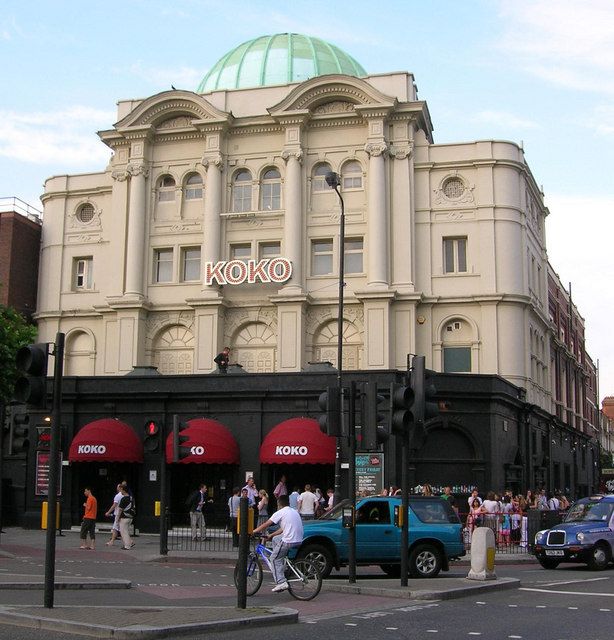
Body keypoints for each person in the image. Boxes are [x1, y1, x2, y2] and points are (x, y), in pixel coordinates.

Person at [252, 494, 304, 592]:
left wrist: (253, 531)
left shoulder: (280, 512)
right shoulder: (294, 511)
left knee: (274, 558)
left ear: (279, 503)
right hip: (298, 539)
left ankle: (281, 582)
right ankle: (282, 564)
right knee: (276, 539)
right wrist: (271, 536)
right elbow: (282, 529)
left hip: (289, 541)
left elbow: (266, 524)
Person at [117, 485, 135, 550]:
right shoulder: (131, 498)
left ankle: (127, 546)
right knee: (126, 531)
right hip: (130, 517)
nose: (120, 491)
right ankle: (130, 543)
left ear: (124, 490)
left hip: (124, 517)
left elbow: (120, 509)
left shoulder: (123, 499)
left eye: (121, 490)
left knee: (123, 532)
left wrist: (117, 518)